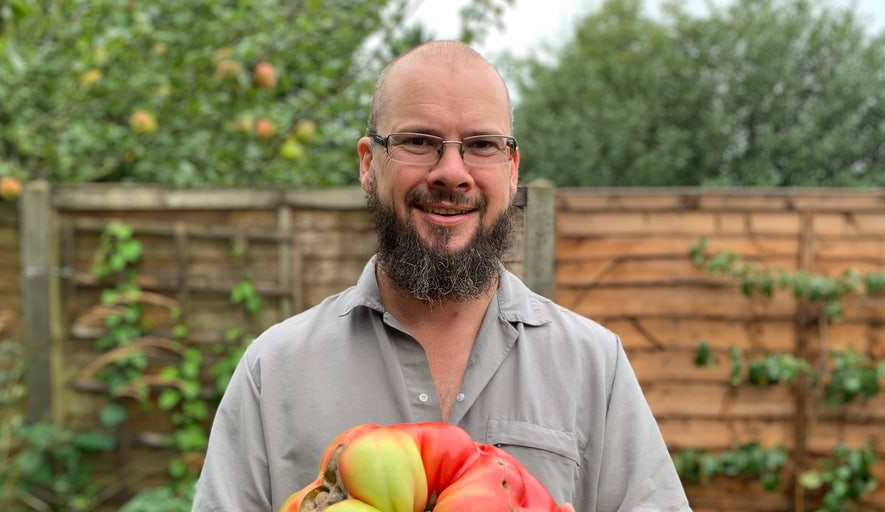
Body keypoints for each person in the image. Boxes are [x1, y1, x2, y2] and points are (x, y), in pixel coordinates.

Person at [192, 40, 691, 512]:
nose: (452, 171)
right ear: (369, 164)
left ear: (512, 168)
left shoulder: (593, 366)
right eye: (418, 141)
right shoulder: (275, 370)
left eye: (481, 145)